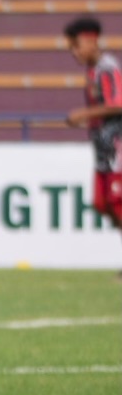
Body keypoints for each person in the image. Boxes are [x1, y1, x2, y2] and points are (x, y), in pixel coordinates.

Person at [64, 17, 122, 251]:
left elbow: (118, 104)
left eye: (75, 46)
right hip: (103, 148)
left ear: (91, 41)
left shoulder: (107, 69)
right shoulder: (92, 71)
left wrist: (84, 114)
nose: (73, 53)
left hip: (116, 147)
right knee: (103, 203)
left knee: (117, 202)